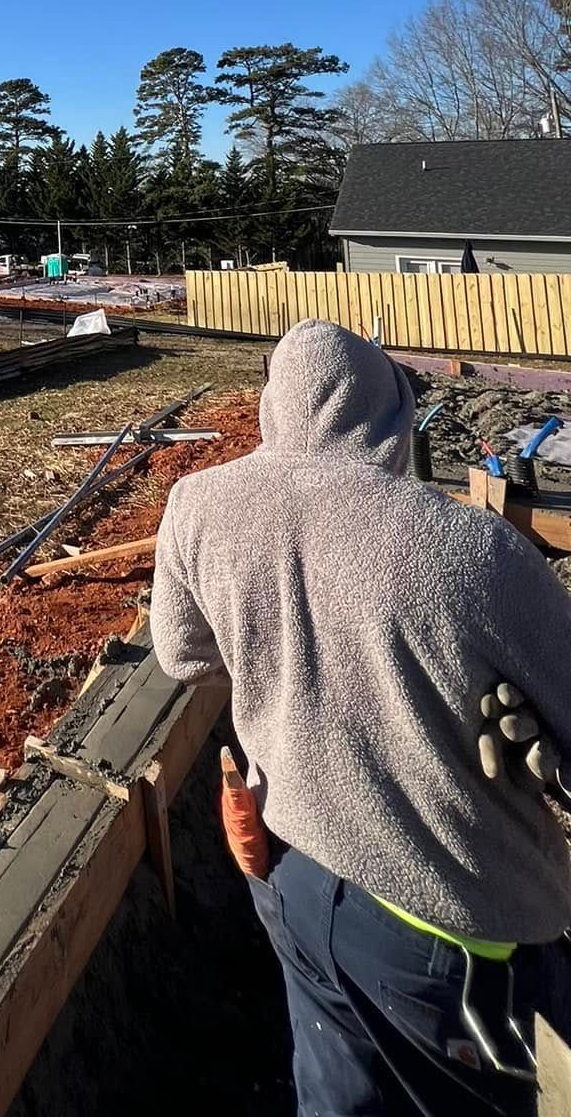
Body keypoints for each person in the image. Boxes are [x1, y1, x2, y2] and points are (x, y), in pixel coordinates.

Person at [153, 319, 571, 1116]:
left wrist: (284, 650)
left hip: (289, 879)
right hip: (457, 932)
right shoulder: (473, 553)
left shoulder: (197, 505)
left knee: (341, 1097)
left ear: (274, 408)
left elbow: (182, 655)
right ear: (394, 418)